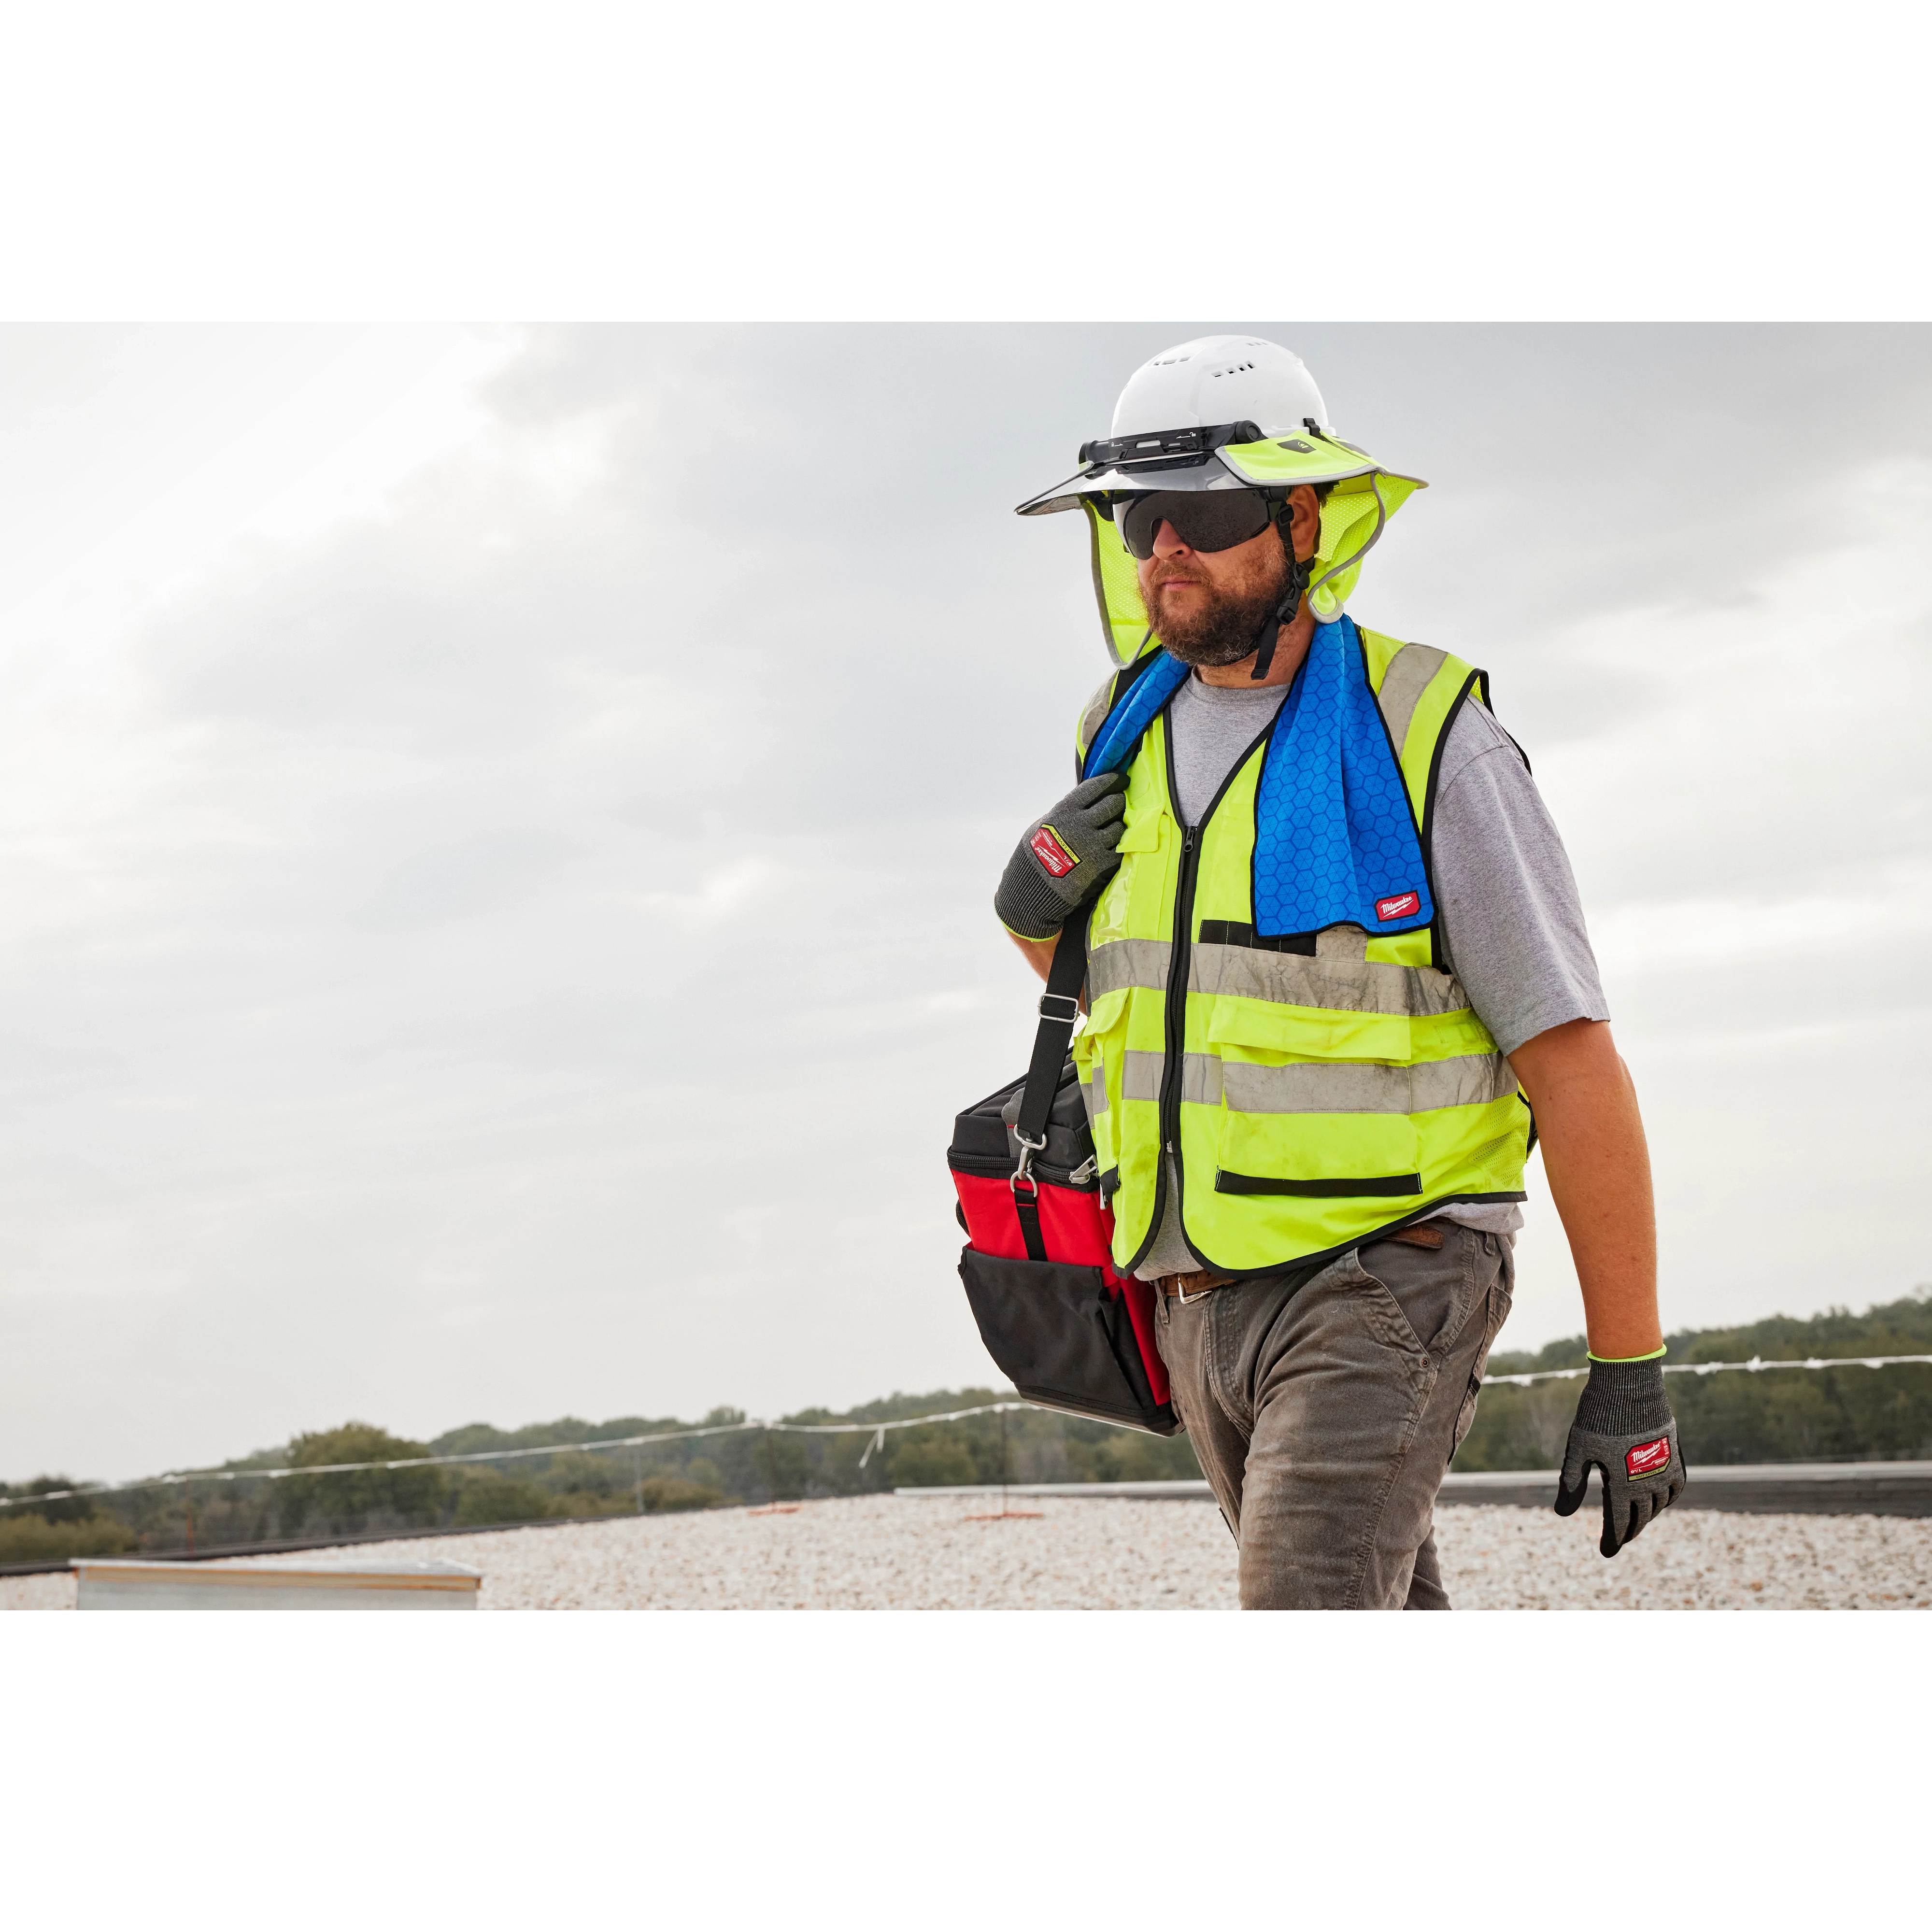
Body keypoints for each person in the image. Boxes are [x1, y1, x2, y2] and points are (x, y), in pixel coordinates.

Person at [994, 335, 1685, 1609]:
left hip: (1386, 1274)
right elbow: (1142, 1004)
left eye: (1200, 511)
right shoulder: (1117, 738)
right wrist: (1032, 907)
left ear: (1302, 515)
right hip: (1193, 1296)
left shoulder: (1429, 735)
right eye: (1138, 517)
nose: (1164, 551)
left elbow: (1570, 1053)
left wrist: (1628, 1363)